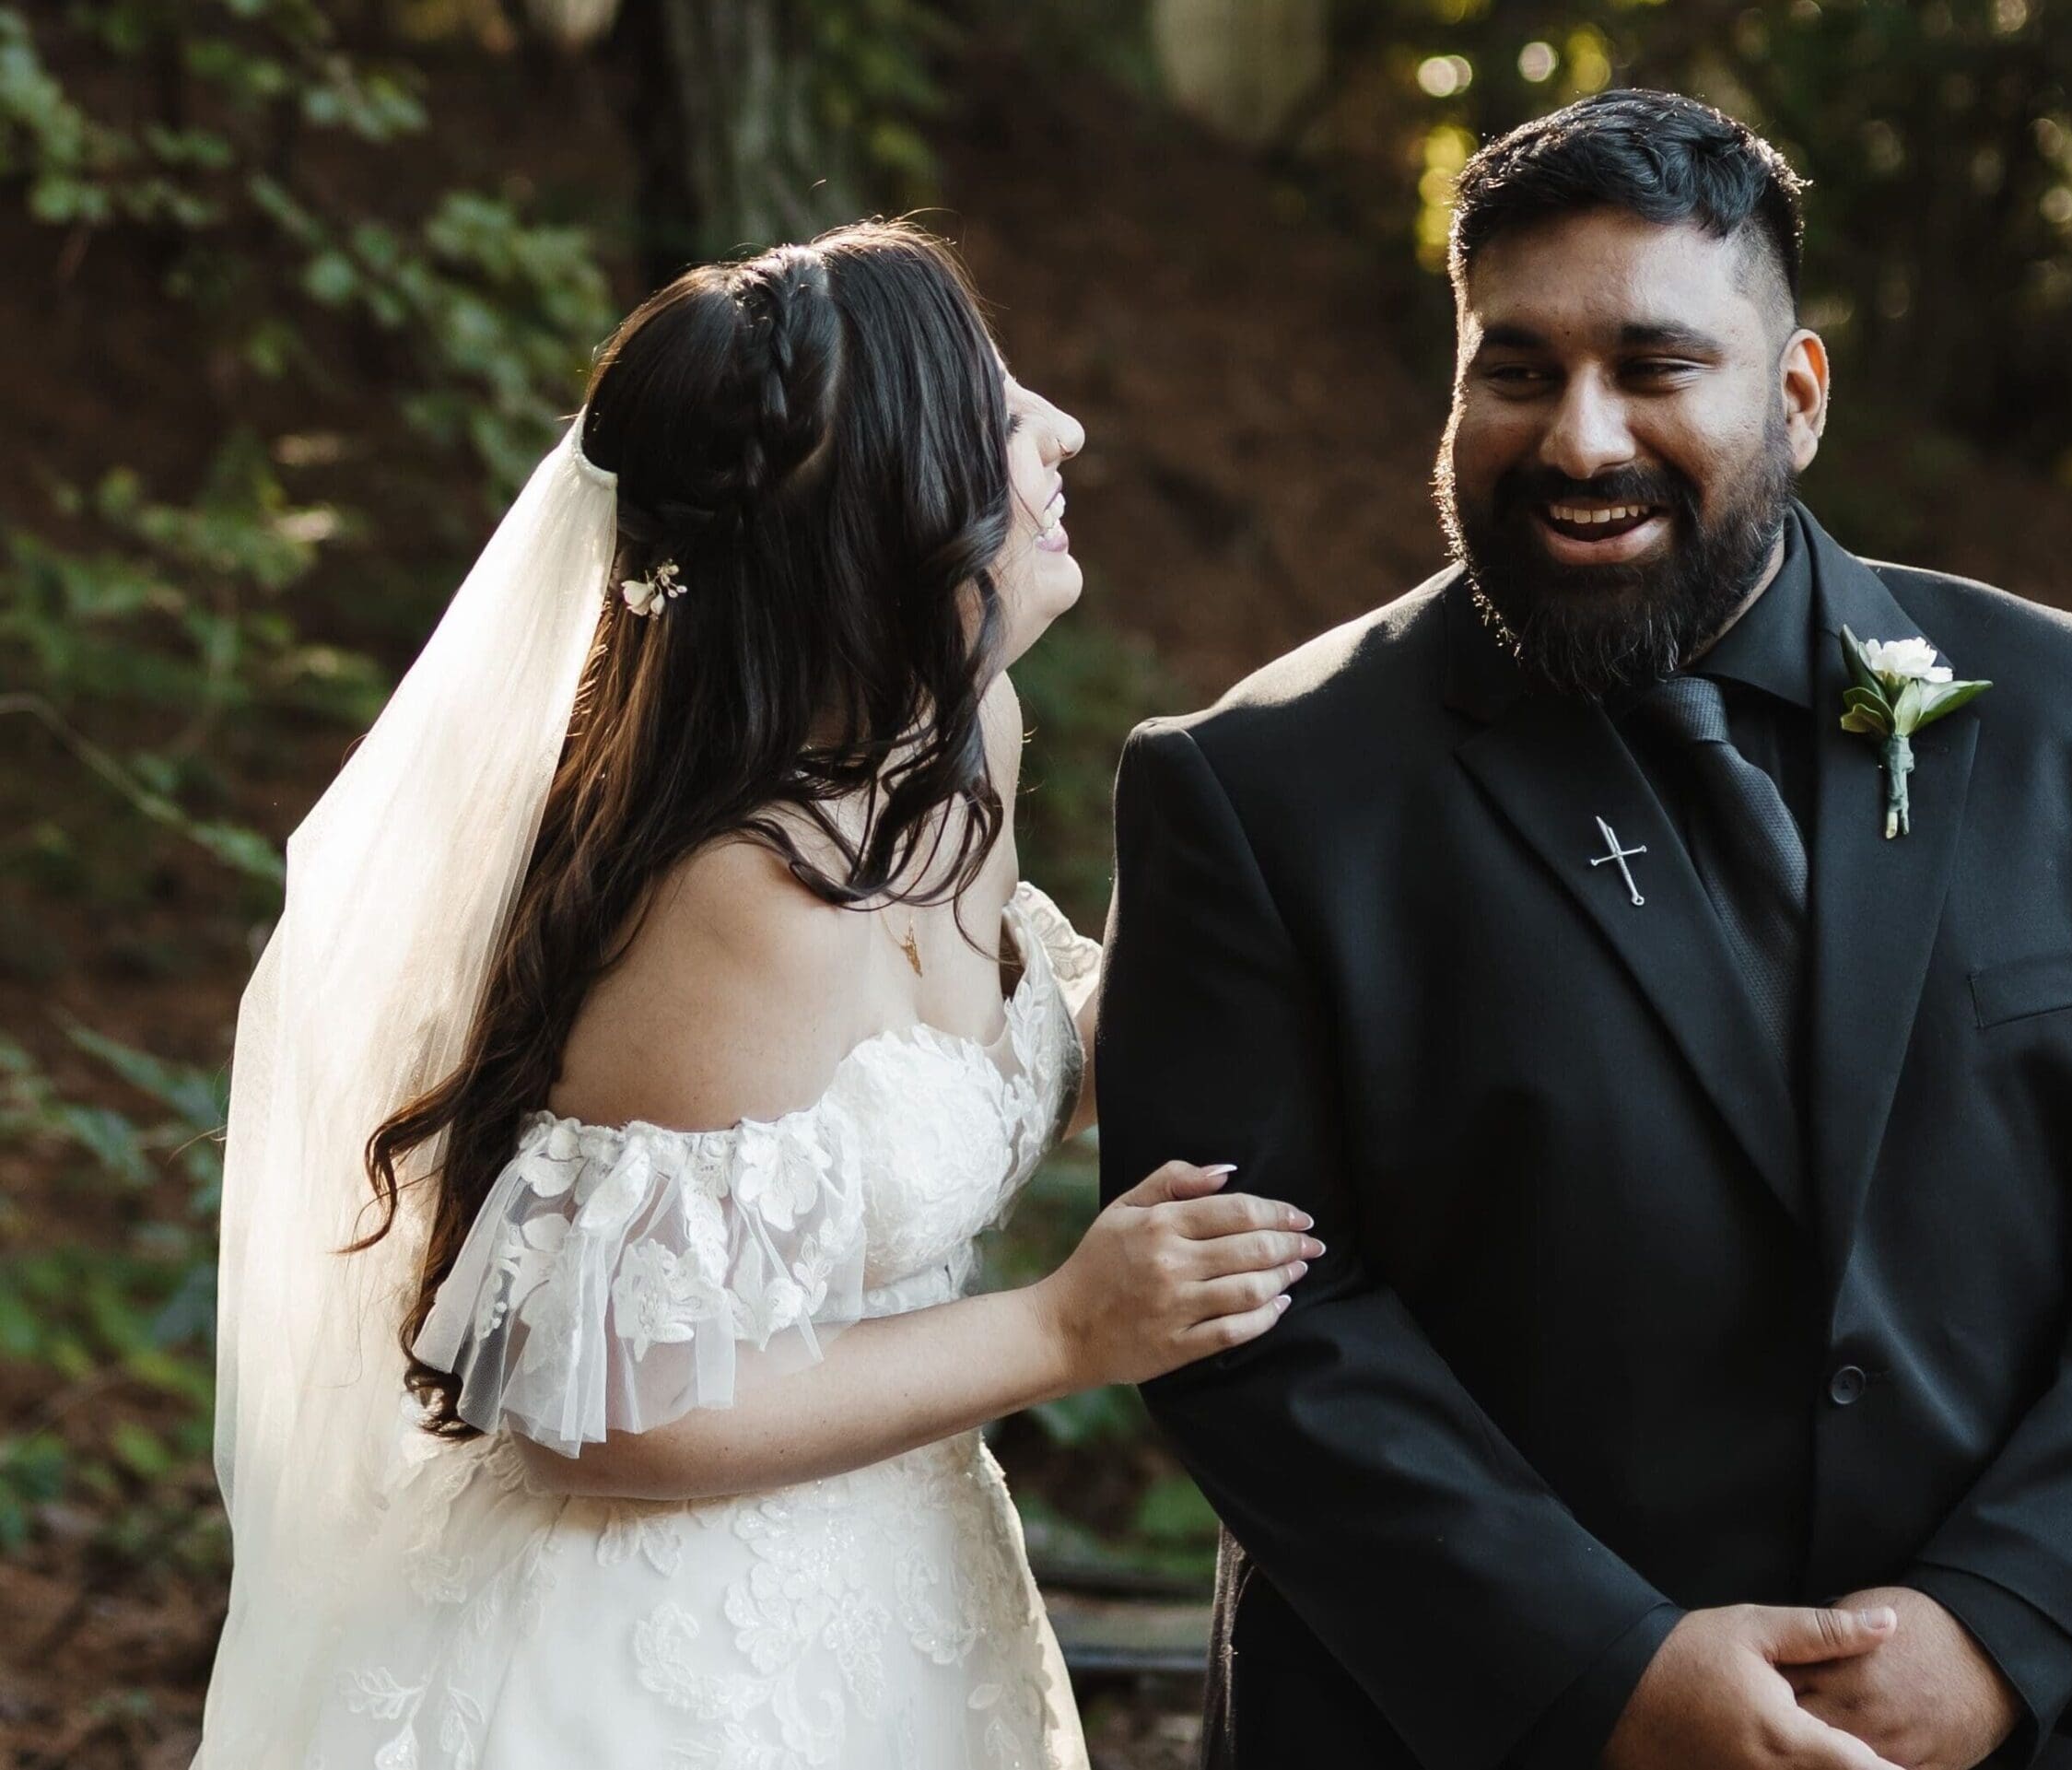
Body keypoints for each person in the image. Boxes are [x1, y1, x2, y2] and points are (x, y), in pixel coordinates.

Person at [1095, 88, 2072, 1770]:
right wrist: (1607, 1671)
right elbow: (1251, 1323)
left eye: (1657, 366)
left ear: (1799, 394)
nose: (1580, 438)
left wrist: (2004, 1620)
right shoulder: (1256, 789)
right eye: (1516, 369)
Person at [193, 220, 1319, 1769]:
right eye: (997, 409)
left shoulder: (961, 744)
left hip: (894, 1589)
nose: (1059, 432)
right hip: (670, 1649)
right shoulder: (737, 900)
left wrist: (1244, 857)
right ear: (899, 504)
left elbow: (996, 1068)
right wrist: (1066, 1328)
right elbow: (611, 1412)